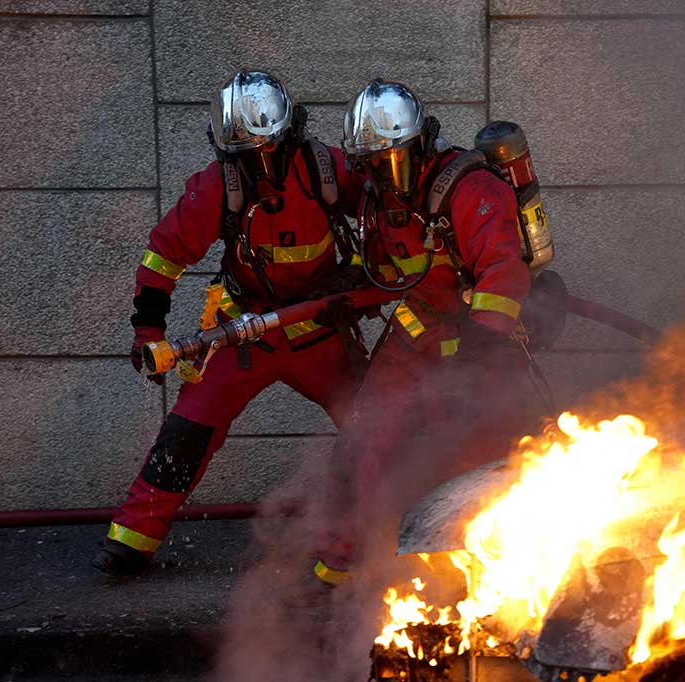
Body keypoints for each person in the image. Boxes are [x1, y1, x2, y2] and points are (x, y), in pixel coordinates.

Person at [93, 70, 367, 576]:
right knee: (187, 432)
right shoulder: (217, 186)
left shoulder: (326, 170)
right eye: (244, 156)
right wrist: (147, 332)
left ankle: (353, 550)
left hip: (321, 335)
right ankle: (132, 541)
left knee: (375, 429)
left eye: (268, 151)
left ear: (292, 136)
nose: (259, 167)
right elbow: (163, 256)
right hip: (243, 335)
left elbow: (387, 207)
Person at [310, 79, 533, 585]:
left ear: (420, 146)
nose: (379, 177)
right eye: (368, 165)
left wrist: (485, 344)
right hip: (417, 331)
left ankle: (481, 567)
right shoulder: (377, 198)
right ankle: (343, 566)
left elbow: (504, 270)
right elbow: (391, 269)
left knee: (485, 446)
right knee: (364, 436)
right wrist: (346, 285)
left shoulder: (472, 188)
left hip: (483, 339)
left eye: (387, 162)